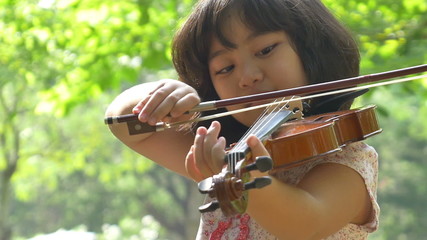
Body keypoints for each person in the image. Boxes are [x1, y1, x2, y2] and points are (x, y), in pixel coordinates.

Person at [105, 0, 379, 239]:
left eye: (266, 50)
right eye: (225, 67)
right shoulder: (226, 149)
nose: (247, 76)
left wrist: (236, 175)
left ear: (311, 47)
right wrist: (166, 92)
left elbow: (302, 225)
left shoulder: (349, 160)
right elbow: (125, 125)